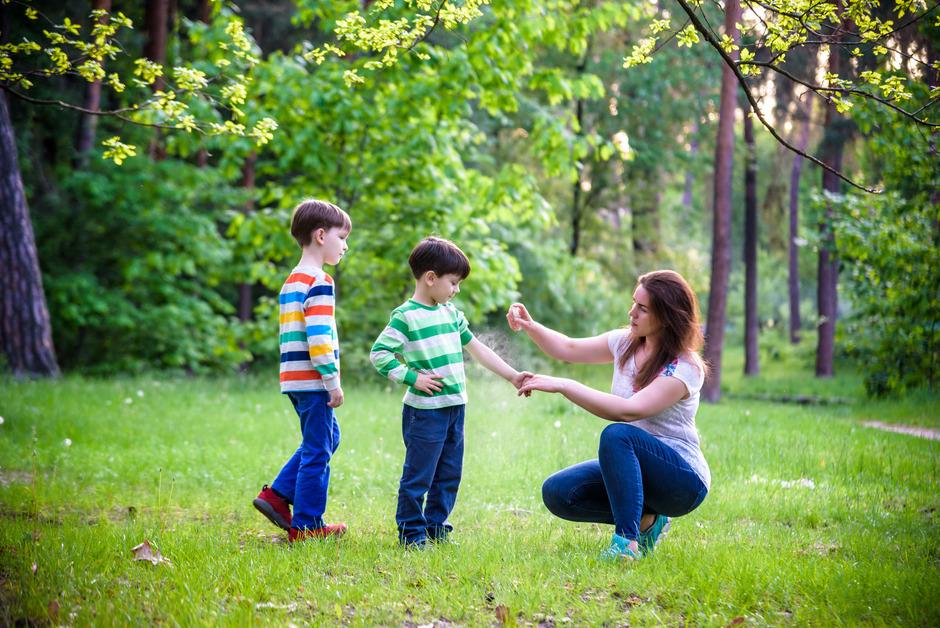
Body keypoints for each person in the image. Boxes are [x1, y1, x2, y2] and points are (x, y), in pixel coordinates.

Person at [509, 269, 710, 560]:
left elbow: (629, 412)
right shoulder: (625, 343)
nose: (632, 313)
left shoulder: (684, 367)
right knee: (558, 492)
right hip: (635, 467)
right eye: (633, 303)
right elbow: (568, 347)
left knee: (618, 436)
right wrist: (530, 326)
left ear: (666, 317)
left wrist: (564, 385)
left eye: (642, 308)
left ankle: (626, 545)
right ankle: (649, 521)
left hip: (682, 480)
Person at [370, 236, 531, 548]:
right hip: (424, 413)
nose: (456, 290)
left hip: (455, 408)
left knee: (449, 475)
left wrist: (512, 376)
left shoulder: (451, 315)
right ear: (431, 278)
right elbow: (380, 354)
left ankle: (435, 528)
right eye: (453, 283)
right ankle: (412, 534)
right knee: (419, 476)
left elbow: (479, 350)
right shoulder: (405, 316)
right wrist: (411, 377)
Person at [252, 199, 352, 542]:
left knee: (325, 439)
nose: (345, 246)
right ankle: (307, 525)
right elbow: (319, 337)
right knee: (318, 451)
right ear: (321, 236)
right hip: (313, 380)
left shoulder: (291, 281)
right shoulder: (320, 280)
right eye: (342, 238)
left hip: (293, 379)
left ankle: (277, 495)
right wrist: (332, 381)